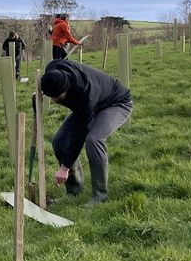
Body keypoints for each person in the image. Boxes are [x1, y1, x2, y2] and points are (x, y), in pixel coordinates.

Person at [40, 60, 132, 205]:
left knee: (94, 139)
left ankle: (100, 196)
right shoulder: (53, 69)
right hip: (94, 103)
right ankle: (73, 191)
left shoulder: (85, 94)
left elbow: (79, 135)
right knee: (59, 141)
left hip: (116, 103)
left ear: (67, 88)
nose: (55, 100)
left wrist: (65, 167)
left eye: (58, 97)